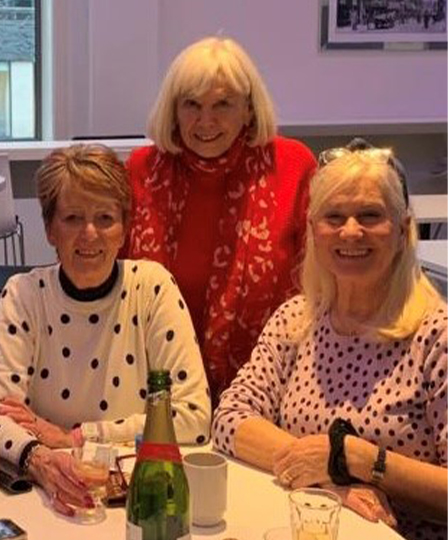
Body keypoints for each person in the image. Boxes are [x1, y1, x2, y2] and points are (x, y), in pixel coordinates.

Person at [212, 142, 447, 540]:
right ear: (313, 231)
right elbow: (231, 418)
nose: (350, 231)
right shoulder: (296, 320)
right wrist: (329, 478)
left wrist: (355, 457)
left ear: (403, 228)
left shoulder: (436, 337)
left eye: (370, 216)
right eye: (333, 216)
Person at [0, 144, 211, 517]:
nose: (89, 234)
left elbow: (194, 417)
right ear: (50, 229)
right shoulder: (23, 294)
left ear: (124, 229)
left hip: (138, 497)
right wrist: (41, 459)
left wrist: (77, 437)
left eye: (105, 218)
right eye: (71, 218)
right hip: (48, 497)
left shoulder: (153, 287)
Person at [122, 36, 317, 400]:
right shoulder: (142, 169)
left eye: (223, 104)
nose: (206, 120)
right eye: (192, 104)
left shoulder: (292, 164)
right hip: (151, 385)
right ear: (173, 111)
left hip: (269, 385)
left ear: (248, 109)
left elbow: (321, 281)